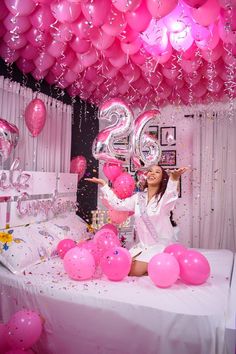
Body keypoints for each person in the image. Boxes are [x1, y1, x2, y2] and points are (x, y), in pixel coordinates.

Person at [85, 165, 188, 276]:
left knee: (131, 271)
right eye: (150, 171)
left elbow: (170, 195)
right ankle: (150, 268)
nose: (152, 173)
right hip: (142, 246)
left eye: (157, 172)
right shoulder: (138, 198)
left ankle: (159, 266)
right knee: (120, 265)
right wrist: (104, 185)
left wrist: (174, 179)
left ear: (162, 178)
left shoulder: (163, 199)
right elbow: (117, 205)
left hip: (160, 246)